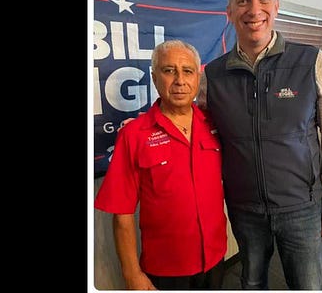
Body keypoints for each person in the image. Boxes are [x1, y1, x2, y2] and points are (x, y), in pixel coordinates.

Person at [197, 0, 322, 290]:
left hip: (301, 208)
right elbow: (193, 128)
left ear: (276, 6)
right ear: (229, 12)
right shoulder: (213, 76)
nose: (254, 9)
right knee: (252, 284)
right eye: (243, 0)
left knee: (307, 286)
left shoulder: (312, 61)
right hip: (244, 210)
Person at [94, 40, 228, 290]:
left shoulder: (215, 123)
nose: (180, 81)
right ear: (155, 78)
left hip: (214, 257)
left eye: (187, 71)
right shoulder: (134, 135)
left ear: (197, 78)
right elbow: (122, 213)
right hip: (165, 268)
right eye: (169, 71)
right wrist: (131, 273)